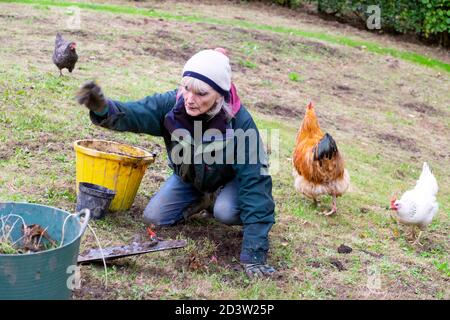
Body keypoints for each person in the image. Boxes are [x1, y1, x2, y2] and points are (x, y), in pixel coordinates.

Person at [76, 48, 276, 278]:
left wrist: (254, 255)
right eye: (186, 87)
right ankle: (203, 198)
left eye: (201, 94)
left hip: (231, 182)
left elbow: (256, 182)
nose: (190, 99)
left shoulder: (240, 124)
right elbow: (136, 113)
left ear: (220, 95)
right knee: (155, 217)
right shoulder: (173, 105)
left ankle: (218, 200)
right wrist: (105, 109)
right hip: (190, 179)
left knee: (226, 211)